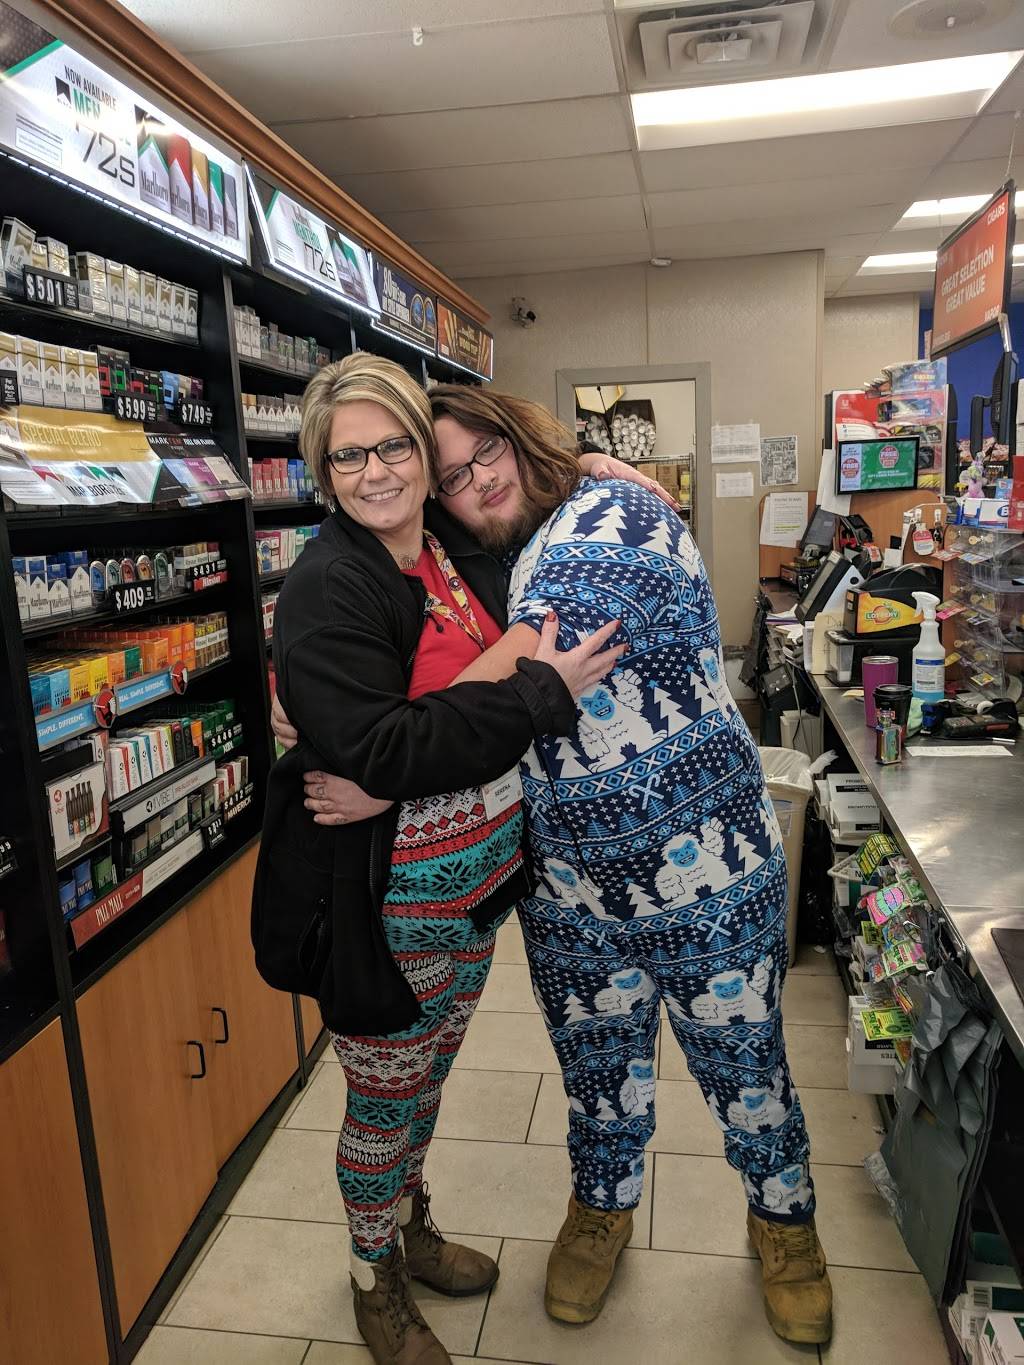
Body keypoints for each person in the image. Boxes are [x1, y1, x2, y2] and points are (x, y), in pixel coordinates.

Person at [281, 382, 834, 1347]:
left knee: (747, 1067)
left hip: (705, 874)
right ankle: (598, 1210)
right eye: (453, 474)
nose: (474, 482)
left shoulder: (611, 518)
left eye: (484, 453)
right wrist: (366, 744)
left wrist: (382, 764)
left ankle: (785, 1225)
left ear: (522, 436)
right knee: (596, 1074)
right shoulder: (460, 552)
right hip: (565, 891)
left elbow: (535, 648)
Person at [252, 352, 627, 1365]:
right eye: (348, 457)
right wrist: (538, 694)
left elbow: (521, 497)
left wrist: (591, 466)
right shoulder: (329, 586)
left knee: (427, 1086)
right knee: (383, 1104)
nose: (375, 471)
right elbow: (380, 749)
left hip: (475, 896)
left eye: (393, 446)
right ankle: (373, 1277)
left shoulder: (448, 543)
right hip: (389, 913)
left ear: (423, 450)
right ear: (323, 472)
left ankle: (410, 1228)